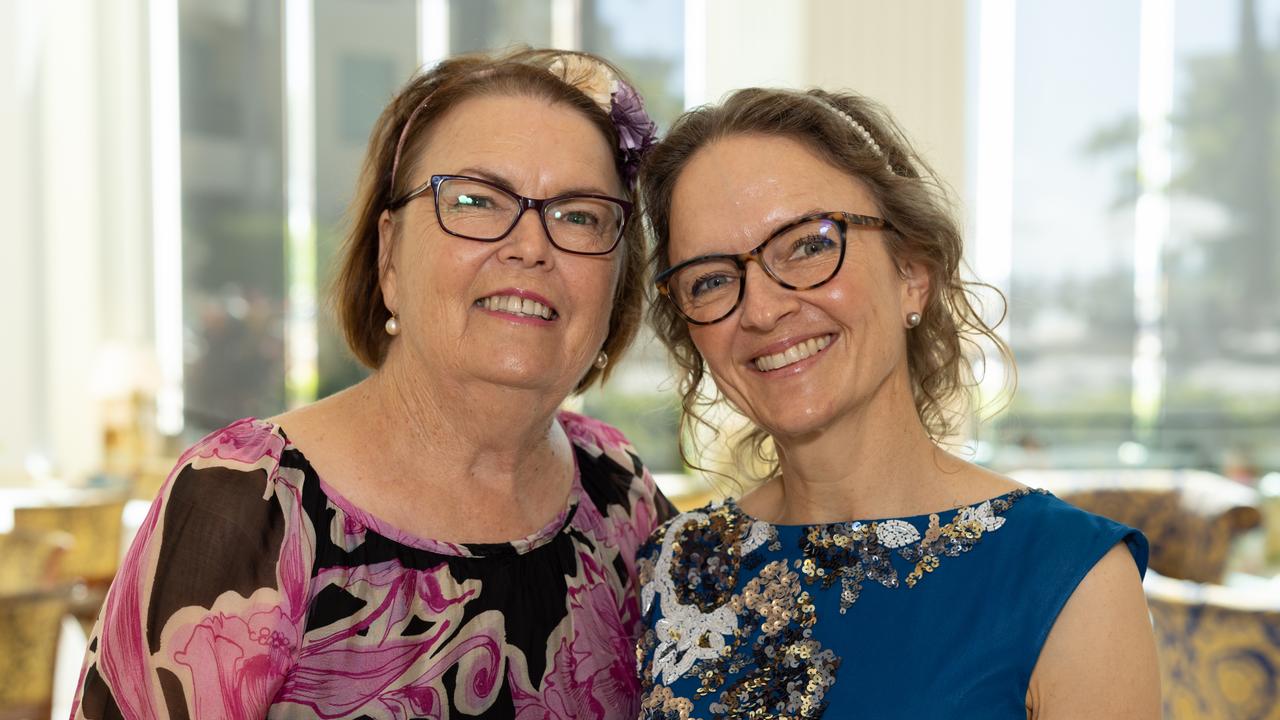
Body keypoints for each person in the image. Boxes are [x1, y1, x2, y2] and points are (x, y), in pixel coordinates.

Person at [72, 48, 673, 719]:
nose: (531, 245)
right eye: (475, 200)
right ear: (389, 254)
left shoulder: (623, 499)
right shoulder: (246, 504)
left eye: (580, 215)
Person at [633, 88, 1160, 718]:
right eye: (712, 279)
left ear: (911, 271)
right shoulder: (676, 563)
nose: (764, 309)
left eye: (808, 244)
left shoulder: (1068, 579)